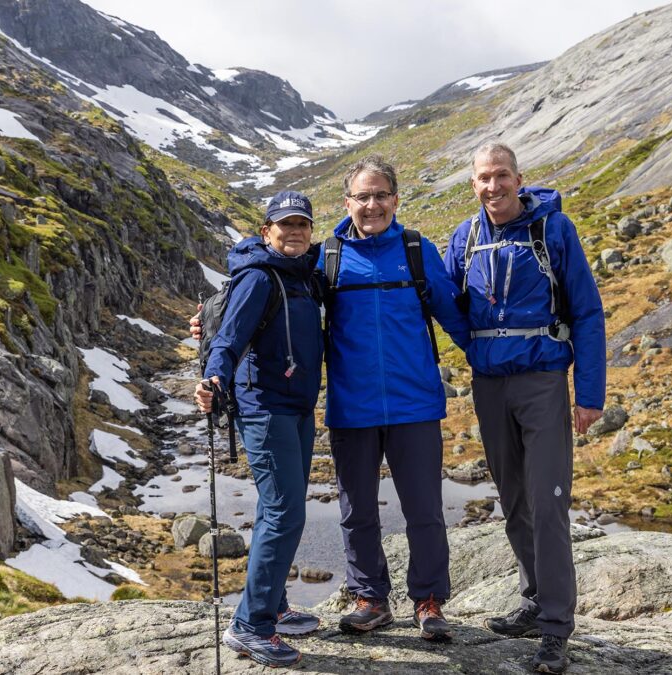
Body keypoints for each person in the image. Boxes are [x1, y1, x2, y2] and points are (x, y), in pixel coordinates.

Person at [444, 142, 605, 674]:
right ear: (473, 184)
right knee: (514, 498)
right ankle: (534, 600)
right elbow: (445, 302)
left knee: (549, 499)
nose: (494, 187)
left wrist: (589, 394)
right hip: (490, 386)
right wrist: (476, 348)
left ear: (519, 178)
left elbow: (586, 310)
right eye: (484, 178)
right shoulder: (465, 238)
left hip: (541, 381)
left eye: (502, 176)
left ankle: (557, 628)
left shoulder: (553, 230)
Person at [322, 155, 471, 642]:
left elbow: (455, 315)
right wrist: (214, 323)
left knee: (424, 510)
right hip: (352, 407)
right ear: (348, 203)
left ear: (395, 199)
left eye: (381, 195)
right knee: (356, 511)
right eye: (362, 196)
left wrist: (499, 367)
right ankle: (370, 599)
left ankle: (428, 601)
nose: (372, 205)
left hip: (415, 405)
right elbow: (278, 301)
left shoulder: (416, 250)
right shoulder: (328, 258)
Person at [194, 190, 323, 668]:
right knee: (284, 512)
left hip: (299, 407)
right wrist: (212, 379)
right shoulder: (259, 278)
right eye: (284, 224)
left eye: (302, 225)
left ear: (311, 233)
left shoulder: (308, 277)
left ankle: (273, 604)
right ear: (266, 230)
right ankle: (250, 625)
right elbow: (228, 340)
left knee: (283, 510)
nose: (293, 232)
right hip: (264, 409)